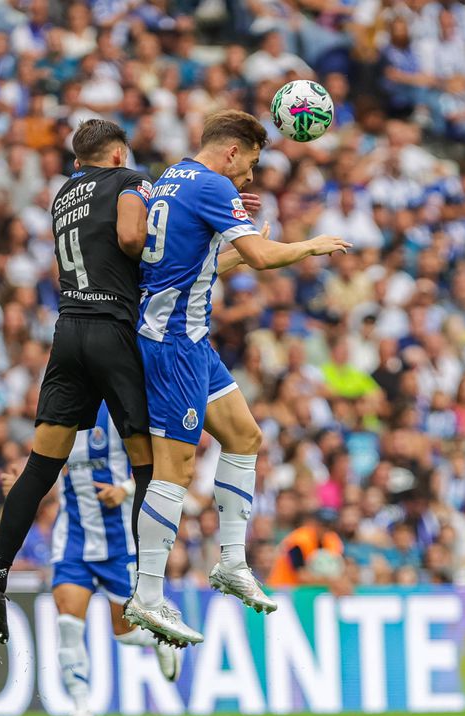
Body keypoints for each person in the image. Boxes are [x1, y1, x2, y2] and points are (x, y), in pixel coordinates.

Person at [124, 110, 351, 645]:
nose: (248, 178)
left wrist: (239, 253)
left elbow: (192, 267)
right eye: (248, 165)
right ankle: (148, 596)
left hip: (194, 341)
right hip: (172, 343)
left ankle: (231, 562)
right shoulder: (209, 184)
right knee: (174, 471)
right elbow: (263, 256)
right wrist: (309, 246)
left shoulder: (172, 178)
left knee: (246, 436)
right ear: (230, 151)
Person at [0, 119, 155, 644]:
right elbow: (128, 236)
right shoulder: (129, 180)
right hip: (112, 332)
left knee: (39, 467)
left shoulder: (62, 194)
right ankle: (147, 589)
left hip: (67, 332)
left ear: (78, 162)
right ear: (119, 154)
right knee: (148, 463)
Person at [1, 404, 179, 716]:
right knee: (68, 621)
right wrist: (21, 489)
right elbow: (46, 471)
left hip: (119, 541)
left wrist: (124, 490)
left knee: (124, 633)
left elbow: (160, 461)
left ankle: (157, 639)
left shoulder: (120, 410)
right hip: (73, 539)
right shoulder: (60, 414)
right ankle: (82, 709)